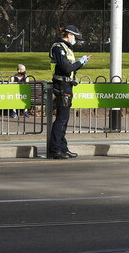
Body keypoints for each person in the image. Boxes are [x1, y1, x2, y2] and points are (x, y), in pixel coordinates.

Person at [48, 25, 91, 159]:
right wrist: (80, 62)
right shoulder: (58, 47)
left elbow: (70, 68)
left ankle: (62, 147)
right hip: (61, 86)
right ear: (69, 35)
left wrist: (80, 63)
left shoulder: (66, 48)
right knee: (61, 119)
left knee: (64, 118)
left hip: (67, 85)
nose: (76, 40)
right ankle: (55, 149)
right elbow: (66, 67)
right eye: (75, 37)